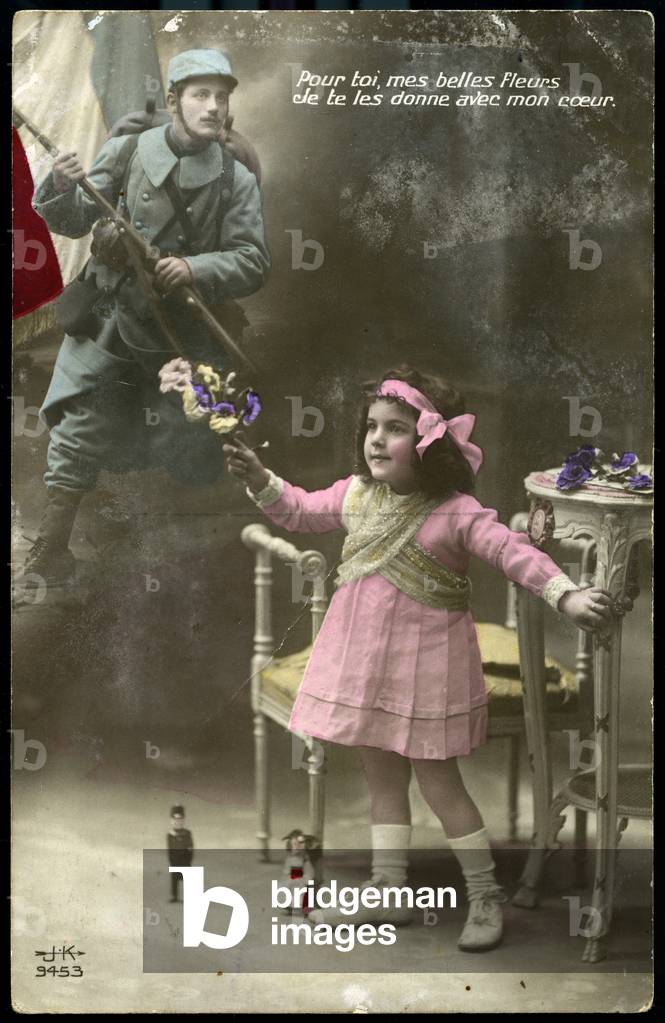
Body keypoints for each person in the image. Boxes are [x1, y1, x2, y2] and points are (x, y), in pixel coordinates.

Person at [224, 366, 613, 952]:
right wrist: (261, 480)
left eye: (397, 428)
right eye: (372, 427)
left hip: (428, 671)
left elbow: (513, 553)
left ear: (430, 445)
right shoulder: (355, 495)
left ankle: (484, 894)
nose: (377, 439)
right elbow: (300, 511)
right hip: (364, 666)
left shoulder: (455, 512)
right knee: (381, 778)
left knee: (440, 784)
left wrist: (567, 593)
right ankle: (388, 888)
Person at [26, 48, 270, 585]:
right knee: (77, 426)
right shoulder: (130, 150)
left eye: (221, 98)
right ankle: (50, 551)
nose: (212, 108)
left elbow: (253, 262)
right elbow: (71, 221)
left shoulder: (235, 180)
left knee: (192, 445)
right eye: (200, 95)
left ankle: (209, 559)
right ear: (174, 101)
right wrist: (63, 185)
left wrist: (195, 265)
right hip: (110, 317)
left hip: (178, 335)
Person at [167, 804, 194, 903]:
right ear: (172, 820)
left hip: (185, 860)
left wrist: (188, 860)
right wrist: (172, 860)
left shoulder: (187, 833)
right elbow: (170, 849)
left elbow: (190, 847)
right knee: (174, 879)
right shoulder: (170, 834)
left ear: (183, 820)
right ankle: (174, 896)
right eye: (175, 819)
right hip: (174, 861)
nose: (177, 822)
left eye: (180, 819)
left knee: (187, 879)